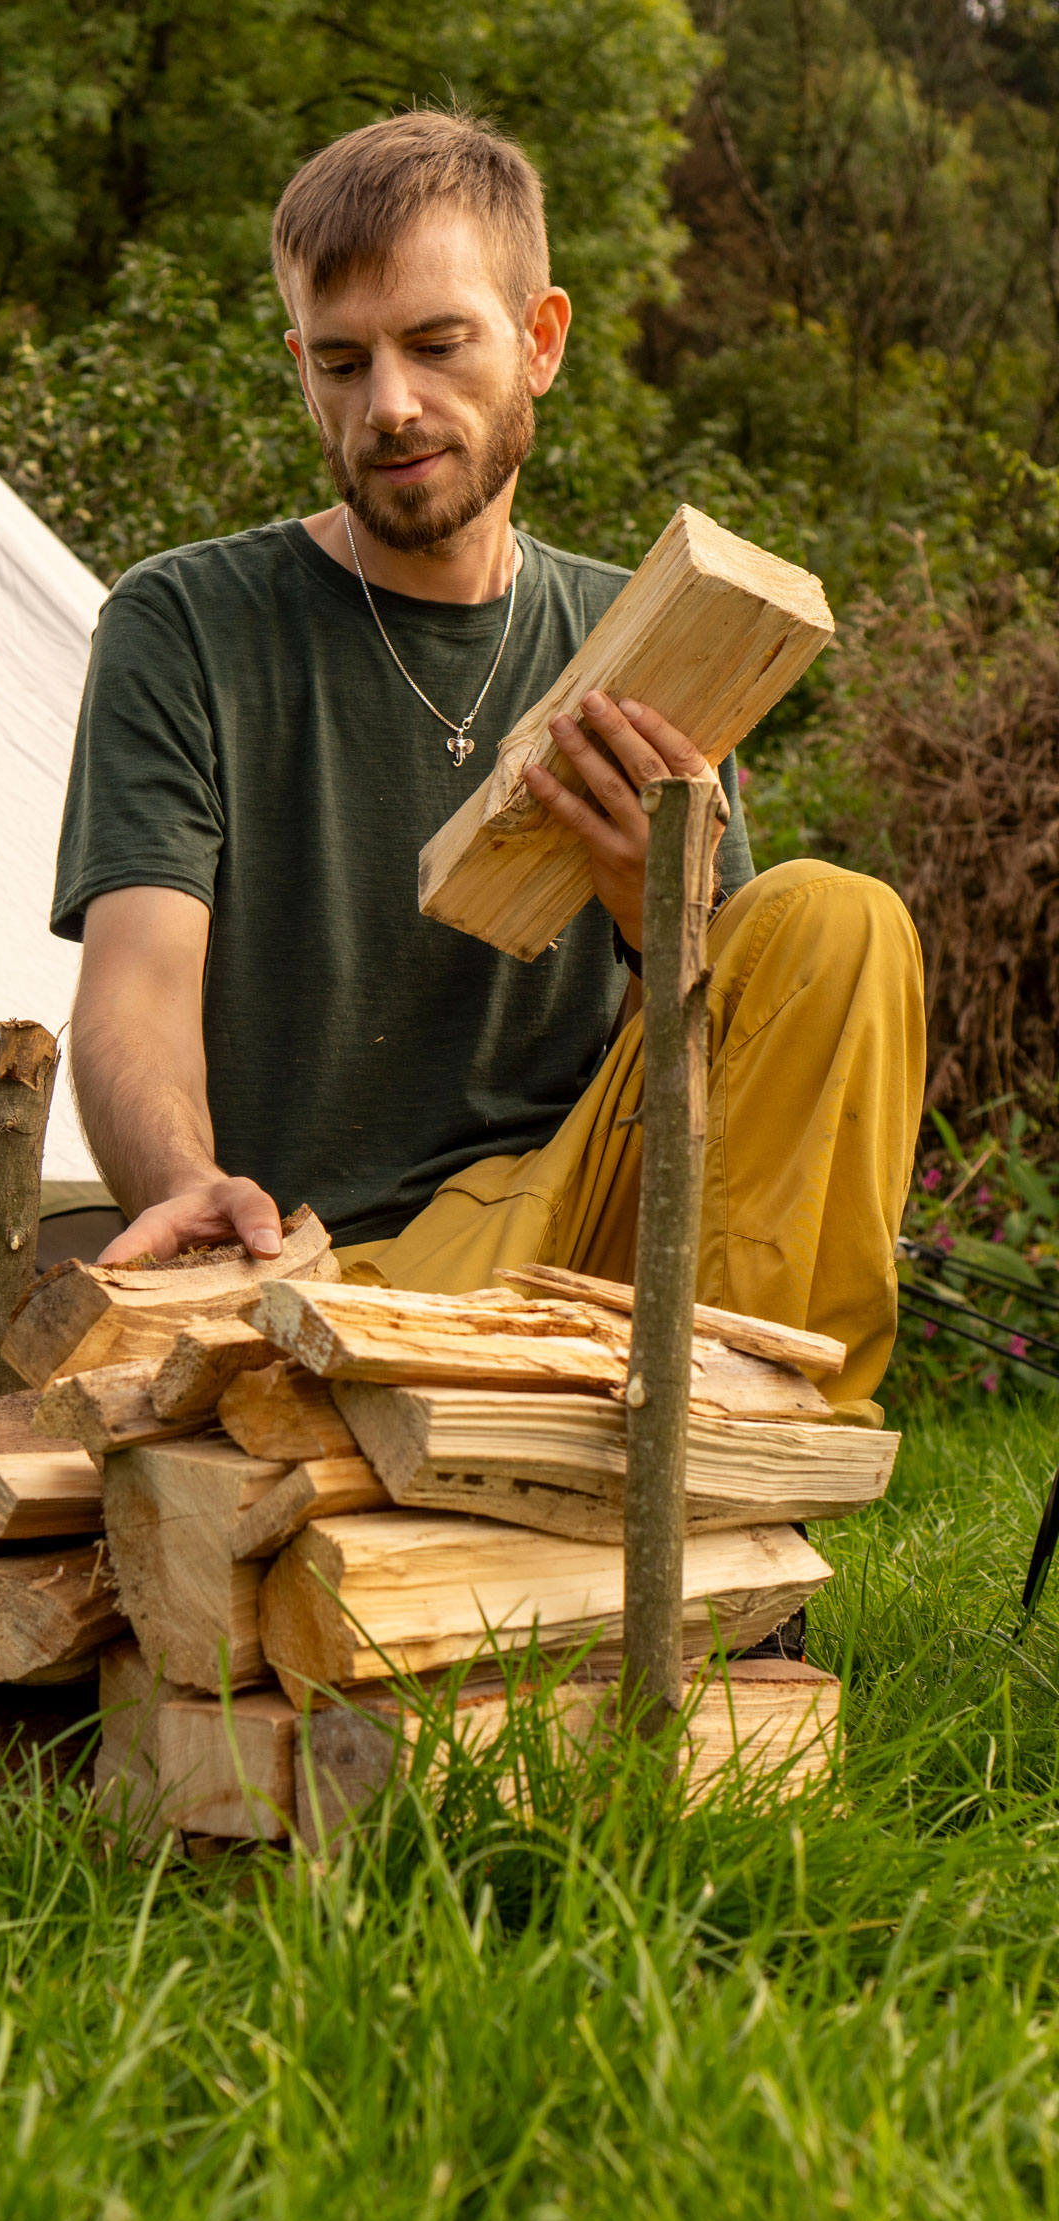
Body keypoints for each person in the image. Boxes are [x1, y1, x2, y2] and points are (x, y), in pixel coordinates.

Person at [51, 110, 924, 1413]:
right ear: (300, 368)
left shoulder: (641, 643)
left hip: (601, 1247)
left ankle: (756, 1450)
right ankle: (670, 1457)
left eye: (437, 343)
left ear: (541, 340)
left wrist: (656, 917)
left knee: (839, 922)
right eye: (340, 362)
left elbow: (749, 1096)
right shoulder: (186, 623)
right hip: (341, 1269)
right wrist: (182, 1184)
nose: (389, 405)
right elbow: (133, 990)